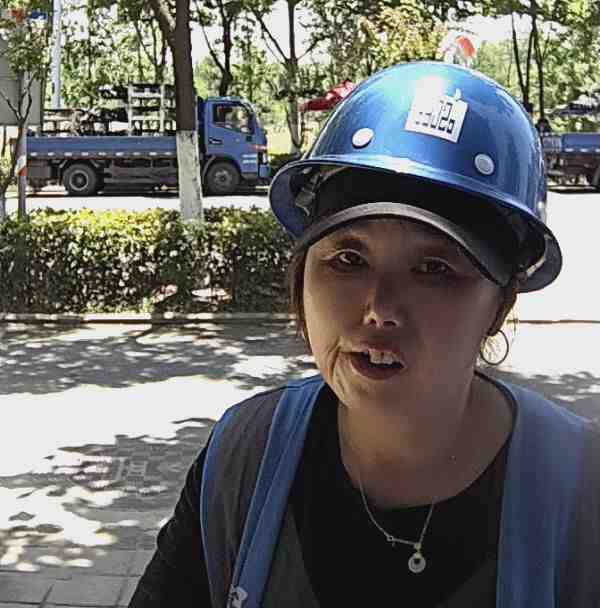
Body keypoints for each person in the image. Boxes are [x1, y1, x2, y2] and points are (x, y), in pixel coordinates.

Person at [130, 62, 600, 607]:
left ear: (500, 305)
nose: (380, 310)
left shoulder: (582, 490)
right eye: (348, 260)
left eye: (435, 270)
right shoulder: (243, 458)